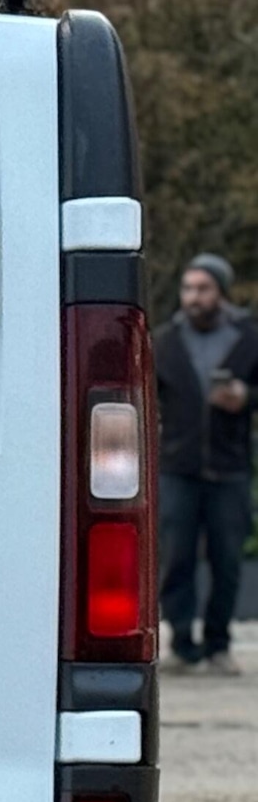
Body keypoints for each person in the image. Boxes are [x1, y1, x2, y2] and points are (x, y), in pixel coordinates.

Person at [154, 253, 258, 673]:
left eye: (203, 288)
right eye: (188, 288)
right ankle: (182, 644)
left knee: (227, 561)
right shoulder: (164, 341)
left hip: (229, 468)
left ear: (221, 292)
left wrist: (245, 397)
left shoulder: (248, 338)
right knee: (176, 559)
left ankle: (218, 644)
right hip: (177, 466)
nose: (193, 297)